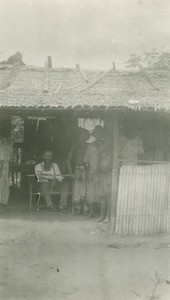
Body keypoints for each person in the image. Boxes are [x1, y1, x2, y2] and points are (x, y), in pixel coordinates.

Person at [67, 127, 90, 215]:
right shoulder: (75, 146)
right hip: (77, 170)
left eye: (84, 134)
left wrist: (88, 168)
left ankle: (86, 209)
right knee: (77, 189)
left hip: (86, 169)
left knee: (86, 189)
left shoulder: (89, 146)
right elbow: (68, 159)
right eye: (80, 134)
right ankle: (78, 208)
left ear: (86, 136)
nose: (82, 136)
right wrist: (71, 172)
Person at [83, 125, 104, 218]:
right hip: (92, 172)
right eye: (97, 134)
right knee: (91, 193)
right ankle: (91, 212)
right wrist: (87, 170)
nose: (98, 136)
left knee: (101, 192)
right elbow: (86, 160)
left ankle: (101, 212)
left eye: (100, 134)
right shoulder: (90, 146)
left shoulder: (105, 145)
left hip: (103, 172)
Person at [95, 134, 113, 222]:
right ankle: (102, 216)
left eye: (109, 140)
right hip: (101, 175)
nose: (107, 142)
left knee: (109, 196)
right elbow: (98, 163)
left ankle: (108, 217)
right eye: (106, 140)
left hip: (109, 175)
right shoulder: (101, 151)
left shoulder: (113, 151)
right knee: (102, 197)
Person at [0, 135, 12, 214]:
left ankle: (2, 207)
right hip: (2, 170)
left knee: (4, 188)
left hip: (5, 169)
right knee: (1, 188)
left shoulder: (8, 146)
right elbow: (2, 160)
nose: (5, 139)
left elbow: (8, 159)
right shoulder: (1, 146)